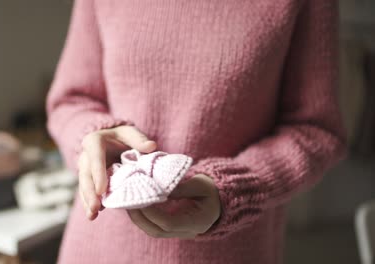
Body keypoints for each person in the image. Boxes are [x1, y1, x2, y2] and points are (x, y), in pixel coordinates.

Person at [46, 0, 346, 263]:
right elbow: (70, 100)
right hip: (98, 247)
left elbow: (316, 130)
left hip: (229, 251)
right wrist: (90, 136)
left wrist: (234, 188)